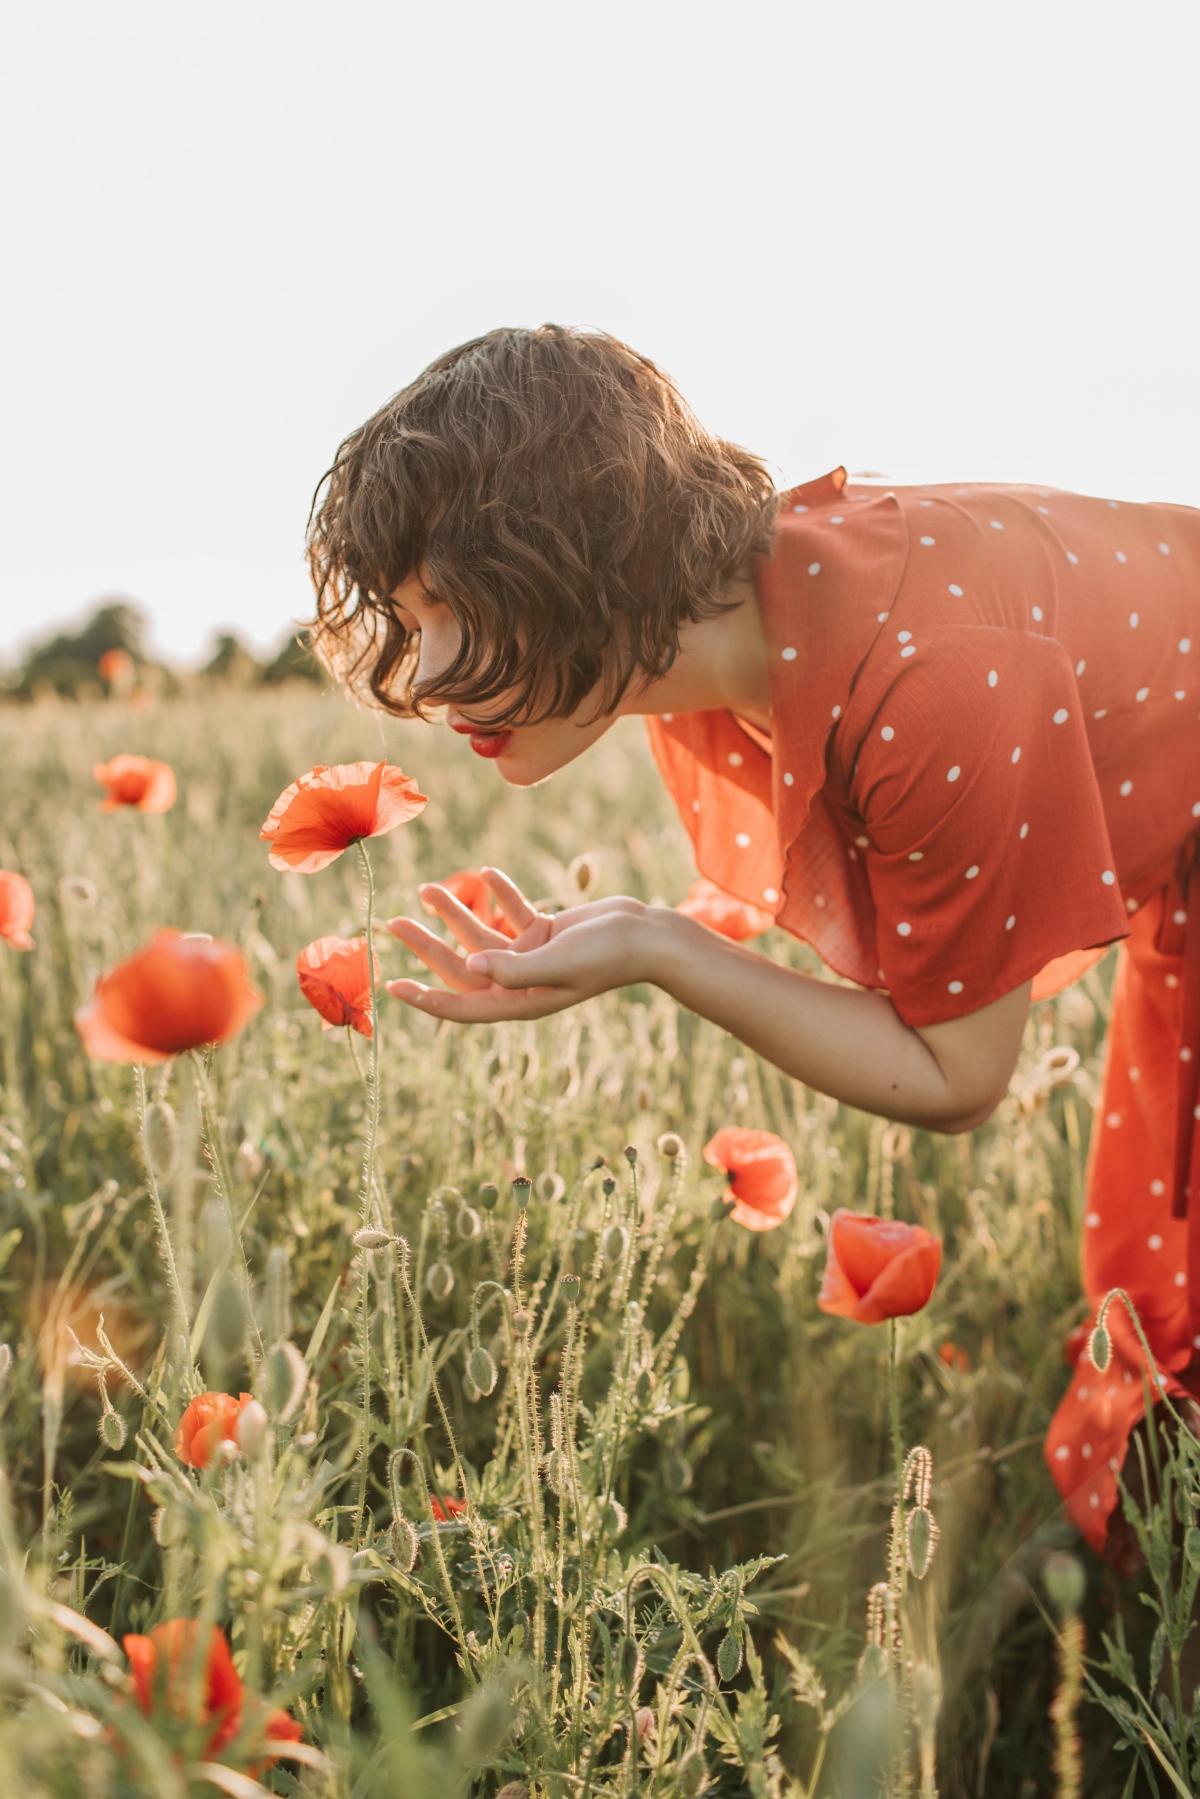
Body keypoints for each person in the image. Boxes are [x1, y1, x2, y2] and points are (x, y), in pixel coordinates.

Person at [308, 323, 1200, 1559]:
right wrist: (645, 934)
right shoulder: (742, 629)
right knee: (1160, 1250)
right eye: (413, 615)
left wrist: (662, 947)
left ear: (587, 558)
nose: (430, 674)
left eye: (453, 607)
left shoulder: (924, 669)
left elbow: (957, 1072)